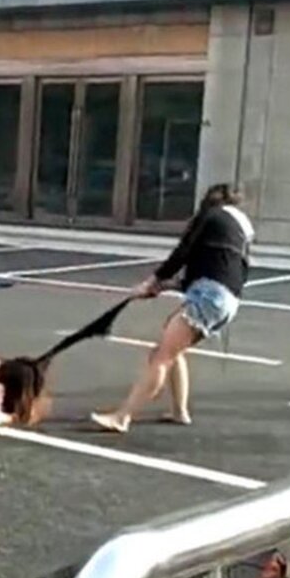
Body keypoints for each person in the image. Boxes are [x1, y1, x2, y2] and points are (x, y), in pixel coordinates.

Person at [91, 184, 254, 432]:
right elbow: (215, 270)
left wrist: (152, 281)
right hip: (227, 301)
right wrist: (165, 286)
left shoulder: (210, 216)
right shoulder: (238, 229)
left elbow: (183, 253)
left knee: (160, 357)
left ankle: (122, 417)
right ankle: (179, 411)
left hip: (209, 297)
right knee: (173, 347)